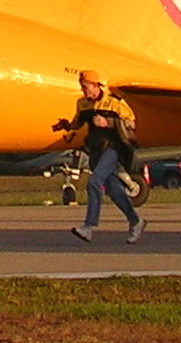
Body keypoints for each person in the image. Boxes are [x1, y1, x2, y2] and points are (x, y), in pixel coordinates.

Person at [54, 70, 147, 244]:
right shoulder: (82, 104)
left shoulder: (114, 103)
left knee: (94, 182)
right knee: (114, 191)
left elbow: (131, 123)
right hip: (95, 151)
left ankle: (89, 226)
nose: (84, 91)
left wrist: (108, 123)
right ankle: (136, 221)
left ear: (96, 86)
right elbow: (77, 123)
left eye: (86, 87)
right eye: (82, 87)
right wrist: (66, 125)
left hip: (112, 149)